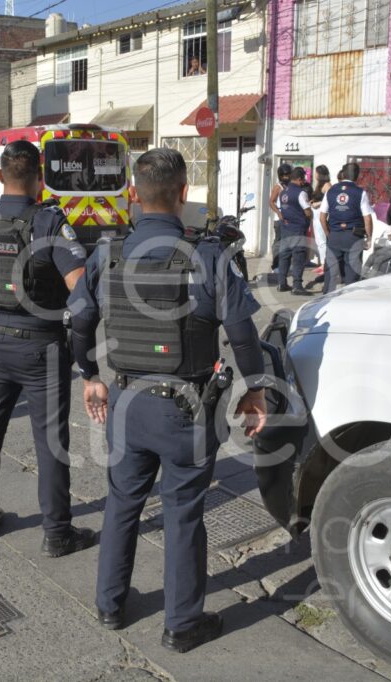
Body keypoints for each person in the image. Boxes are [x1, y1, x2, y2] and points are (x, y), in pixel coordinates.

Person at [69, 148, 268, 653]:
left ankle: (110, 605)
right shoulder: (208, 256)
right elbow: (243, 334)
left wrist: (90, 374)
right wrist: (257, 390)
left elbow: (78, 322)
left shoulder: (107, 253)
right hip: (186, 412)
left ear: (134, 194)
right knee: (183, 513)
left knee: (122, 503)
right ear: (183, 194)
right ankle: (181, 624)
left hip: (127, 404)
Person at [0, 140, 95, 556]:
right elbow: (80, 290)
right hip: (40, 347)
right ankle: (57, 533)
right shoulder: (48, 223)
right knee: (50, 441)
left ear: (0, 178)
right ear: (40, 179)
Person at [320, 162, 374, 293]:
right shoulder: (360, 192)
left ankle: (326, 298)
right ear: (357, 176)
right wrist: (369, 238)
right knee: (352, 272)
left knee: (331, 271)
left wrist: (329, 234)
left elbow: (322, 217)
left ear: (343, 174)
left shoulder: (330, 191)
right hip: (354, 237)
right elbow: (367, 218)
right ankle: (350, 300)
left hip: (334, 236)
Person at [276, 167, 313, 295]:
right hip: (297, 229)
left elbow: (285, 209)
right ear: (298, 179)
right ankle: (297, 286)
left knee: (284, 256)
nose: (304, 182)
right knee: (299, 257)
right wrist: (309, 215)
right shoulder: (301, 193)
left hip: (286, 227)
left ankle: (282, 283)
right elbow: (307, 211)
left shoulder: (283, 192)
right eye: (303, 179)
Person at [268, 164, 293, 270]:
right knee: (278, 241)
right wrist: (278, 213)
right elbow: (271, 202)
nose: (287, 177)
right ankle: (276, 264)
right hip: (280, 219)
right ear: (280, 176)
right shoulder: (278, 187)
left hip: (290, 218)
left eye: (289, 174)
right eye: (285, 175)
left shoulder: (291, 186)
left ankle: (286, 264)